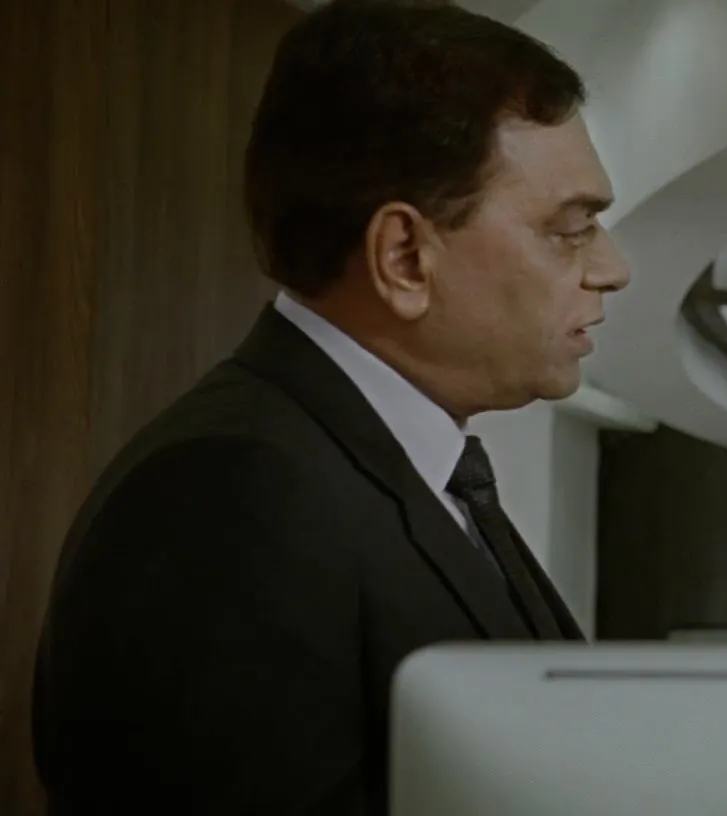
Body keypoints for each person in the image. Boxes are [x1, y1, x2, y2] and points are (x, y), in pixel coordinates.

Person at [32, 2, 631, 813]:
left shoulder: (396, 474)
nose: (612, 268)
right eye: (571, 229)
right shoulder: (229, 496)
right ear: (405, 257)